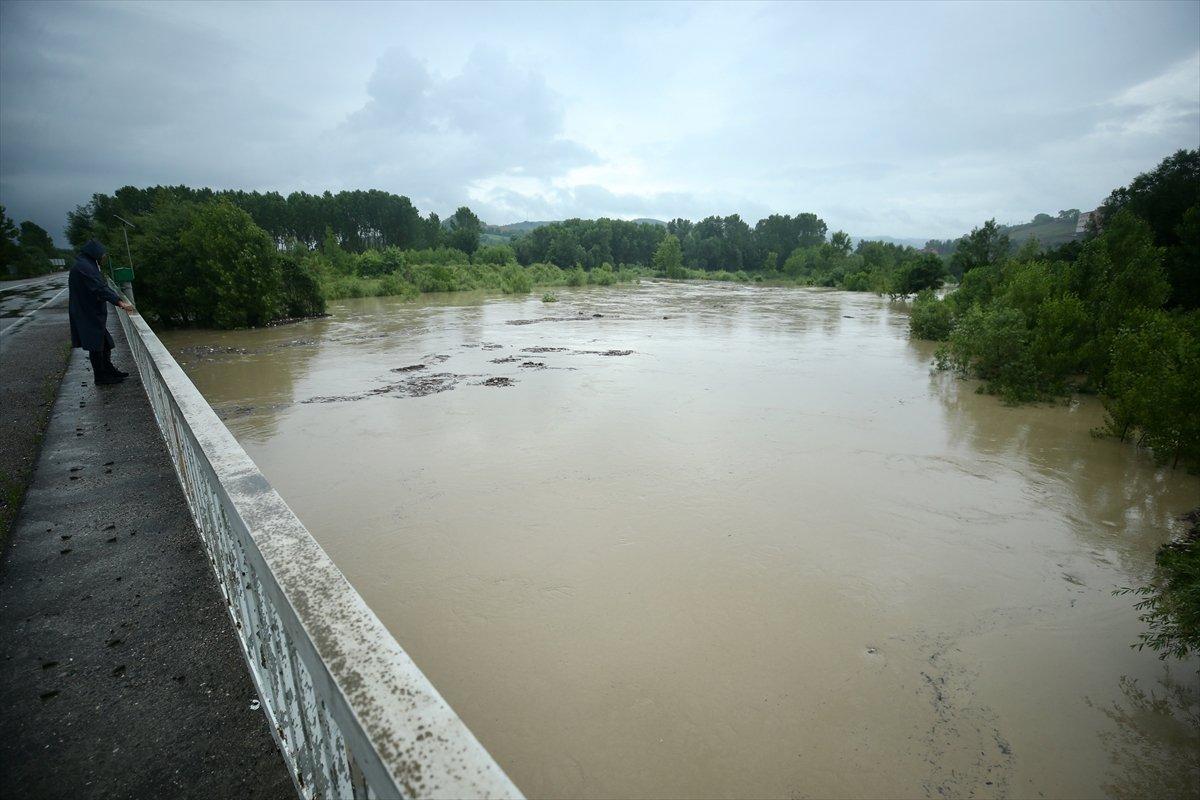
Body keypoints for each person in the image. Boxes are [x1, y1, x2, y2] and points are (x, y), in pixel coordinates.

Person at [69, 240, 135, 386]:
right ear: (95, 253)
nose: (104, 257)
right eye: (103, 254)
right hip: (87, 312)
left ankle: (107, 369)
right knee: (96, 344)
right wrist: (119, 302)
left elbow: (101, 286)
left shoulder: (86, 264)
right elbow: (100, 288)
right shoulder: (85, 267)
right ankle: (101, 376)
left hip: (89, 311)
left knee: (104, 342)